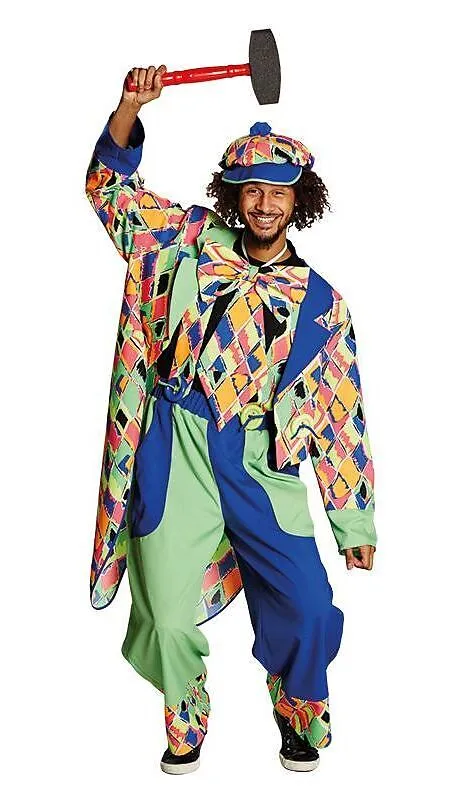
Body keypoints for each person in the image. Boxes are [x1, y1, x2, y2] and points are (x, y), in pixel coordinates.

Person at [85, 64, 377, 775]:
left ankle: (297, 707)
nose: (264, 205)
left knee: (309, 607)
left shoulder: (321, 304)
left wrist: (353, 523)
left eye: (278, 192)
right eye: (252, 190)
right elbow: (109, 191)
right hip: (176, 444)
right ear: (234, 195)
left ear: (298, 200)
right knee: (163, 613)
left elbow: (340, 415)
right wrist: (129, 108)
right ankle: (184, 711)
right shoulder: (185, 241)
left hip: (258, 459)